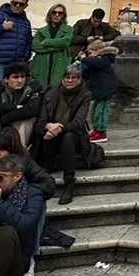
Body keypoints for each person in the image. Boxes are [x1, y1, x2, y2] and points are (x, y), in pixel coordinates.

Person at [32, 65, 100, 204]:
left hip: (74, 135)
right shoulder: (51, 93)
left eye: (74, 78)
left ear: (79, 80)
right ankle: (48, 166)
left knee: (67, 137)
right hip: (51, 135)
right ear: (62, 79)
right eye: (67, 77)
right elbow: (40, 123)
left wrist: (58, 128)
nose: (70, 80)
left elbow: (78, 123)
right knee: (49, 133)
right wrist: (48, 126)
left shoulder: (84, 94)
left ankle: (69, 181)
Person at [0, 62, 42, 154]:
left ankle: (19, 154)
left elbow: (32, 110)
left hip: (15, 123)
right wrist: (13, 107)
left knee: (27, 120)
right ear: (6, 79)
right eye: (15, 77)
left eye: (23, 77)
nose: (20, 80)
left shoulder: (33, 87)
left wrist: (2, 118)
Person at [80, 39, 118, 142]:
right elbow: (88, 73)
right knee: (95, 111)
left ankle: (101, 132)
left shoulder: (104, 58)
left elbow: (95, 63)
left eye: (91, 53)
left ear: (98, 50)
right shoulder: (97, 61)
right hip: (99, 90)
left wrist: (84, 59)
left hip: (105, 90)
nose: (90, 55)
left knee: (101, 111)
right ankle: (96, 130)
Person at [29, 4, 74, 89]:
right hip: (42, 65)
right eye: (54, 12)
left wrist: (46, 42)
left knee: (56, 91)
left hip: (59, 63)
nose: (57, 15)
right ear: (50, 14)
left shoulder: (69, 29)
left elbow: (65, 42)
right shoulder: (41, 31)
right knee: (39, 90)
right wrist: (54, 48)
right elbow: (35, 46)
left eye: (60, 13)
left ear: (63, 16)